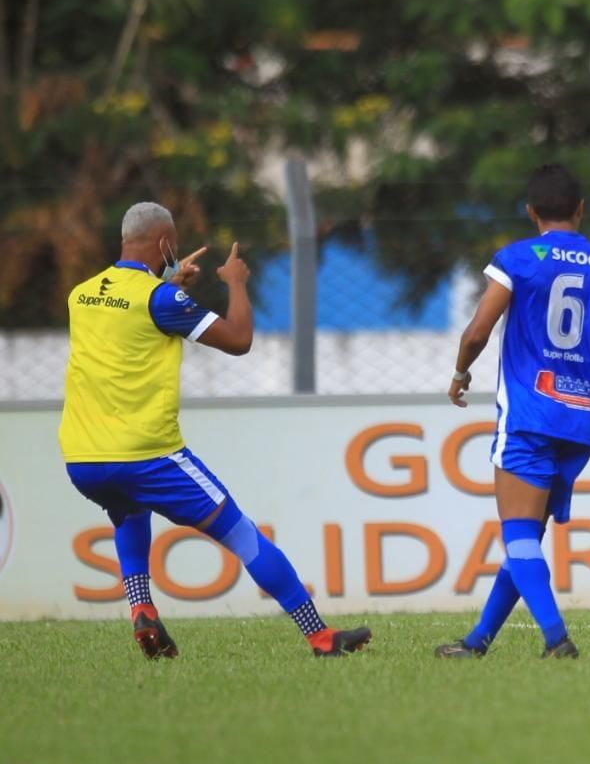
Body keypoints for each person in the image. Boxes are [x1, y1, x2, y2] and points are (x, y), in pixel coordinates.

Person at [59, 202, 371, 659]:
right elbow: (239, 340)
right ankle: (320, 636)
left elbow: (129, 315)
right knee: (242, 534)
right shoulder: (162, 300)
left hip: (83, 458)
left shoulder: (81, 294)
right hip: (147, 454)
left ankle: (141, 608)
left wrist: (166, 285)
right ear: (165, 243)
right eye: (175, 244)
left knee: (128, 511)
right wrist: (236, 284)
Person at [434, 163, 590, 660]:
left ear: (531, 211)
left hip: (530, 414)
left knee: (518, 537)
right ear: (580, 209)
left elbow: (477, 331)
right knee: (526, 540)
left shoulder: (517, 259)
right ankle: (477, 642)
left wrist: (461, 373)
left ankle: (556, 638)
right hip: (578, 420)